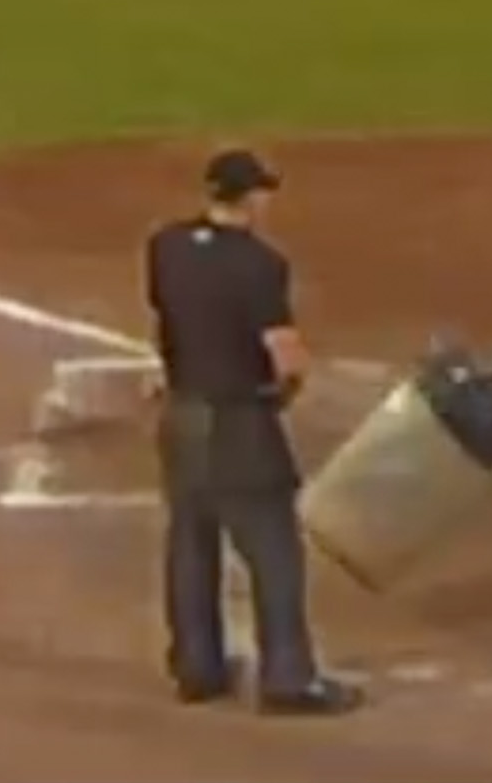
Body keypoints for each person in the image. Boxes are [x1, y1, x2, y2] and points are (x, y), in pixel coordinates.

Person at [145, 147, 363, 716]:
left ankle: (197, 669)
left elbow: (167, 325)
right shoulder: (261, 264)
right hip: (238, 421)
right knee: (274, 550)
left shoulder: (165, 246)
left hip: (180, 413)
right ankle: (289, 679)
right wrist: (284, 394)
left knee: (190, 541)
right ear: (252, 197)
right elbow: (285, 357)